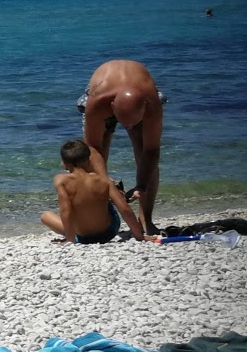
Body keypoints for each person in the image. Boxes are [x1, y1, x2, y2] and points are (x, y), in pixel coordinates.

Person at [78, 59, 164, 233]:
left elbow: (152, 149)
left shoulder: (152, 103)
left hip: (140, 94)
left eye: (132, 124)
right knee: (94, 162)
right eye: (124, 123)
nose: (128, 129)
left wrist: (142, 185)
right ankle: (99, 219)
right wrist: (104, 180)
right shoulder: (98, 102)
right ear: (111, 107)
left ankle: (146, 220)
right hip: (104, 89)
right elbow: (93, 148)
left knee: (144, 155)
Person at [41, 138, 150, 244]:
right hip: (109, 232)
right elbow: (125, 209)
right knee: (104, 199)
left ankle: (73, 235)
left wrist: (70, 240)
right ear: (89, 160)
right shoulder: (104, 180)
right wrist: (140, 236)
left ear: (64, 163)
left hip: (83, 236)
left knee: (46, 216)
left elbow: (66, 211)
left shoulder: (61, 180)